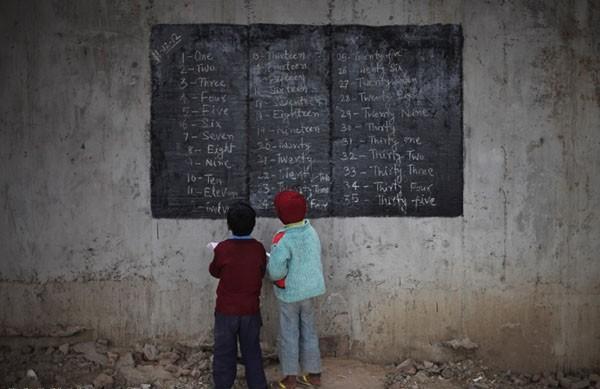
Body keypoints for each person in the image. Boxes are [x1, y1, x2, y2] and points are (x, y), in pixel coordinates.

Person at [267, 190, 326, 388]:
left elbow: (275, 272)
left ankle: (290, 377)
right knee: (309, 331)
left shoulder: (282, 238)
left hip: (289, 294)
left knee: (289, 333)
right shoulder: (311, 231)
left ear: (280, 214)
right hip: (310, 291)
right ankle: (314, 374)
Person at [209, 201, 268, 389]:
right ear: (253, 225)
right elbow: (261, 271)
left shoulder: (222, 249)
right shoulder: (258, 249)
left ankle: (223, 385)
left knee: (224, 353)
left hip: (226, 312)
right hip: (250, 311)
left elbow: (215, 271)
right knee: (252, 352)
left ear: (229, 225)